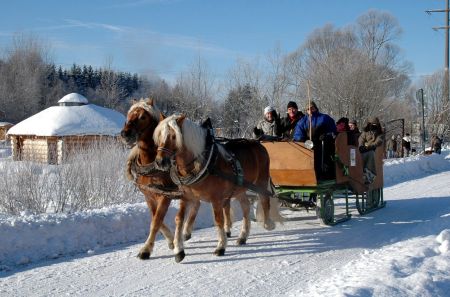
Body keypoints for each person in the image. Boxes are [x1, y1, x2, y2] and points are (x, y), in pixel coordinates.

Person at [293, 101, 337, 179]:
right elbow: (298, 134)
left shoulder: (324, 118)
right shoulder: (303, 121)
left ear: (315, 108)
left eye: (312, 108)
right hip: (308, 144)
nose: (310, 110)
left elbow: (333, 130)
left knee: (325, 157)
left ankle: (325, 174)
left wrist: (327, 135)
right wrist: (302, 140)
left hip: (322, 143)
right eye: (308, 109)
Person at [358, 117, 384, 184]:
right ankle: (358, 174)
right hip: (364, 149)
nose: (374, 125)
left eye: (375, 124)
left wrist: (370, 146)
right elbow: (361, 139)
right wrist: (361, 146)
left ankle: (369, 175)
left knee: (371, 154)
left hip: (374, 150)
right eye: (372, 124)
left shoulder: (380, 133)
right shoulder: (365, 132)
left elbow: (378, 141)